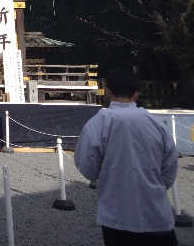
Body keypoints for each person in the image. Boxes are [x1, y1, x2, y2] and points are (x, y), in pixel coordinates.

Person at [74, 68, 178, 246]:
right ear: (137, 93)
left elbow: (87, 165)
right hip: (156, 211)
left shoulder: (98, 122)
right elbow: (170, 166)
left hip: (116, 212)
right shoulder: (156, 123)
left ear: (107, 91)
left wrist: (103, 177)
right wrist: (156, 185)